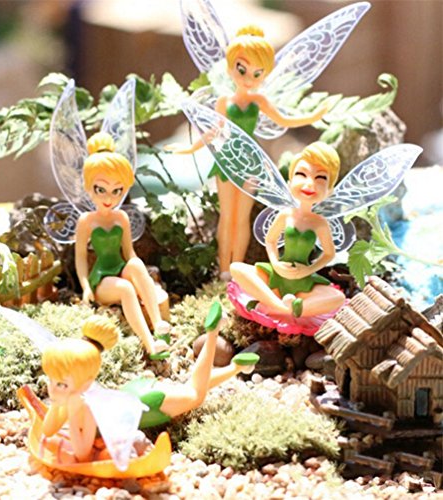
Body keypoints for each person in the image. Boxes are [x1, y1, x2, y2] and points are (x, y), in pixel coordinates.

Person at [166, 26, 327, 278]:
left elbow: (284, 121)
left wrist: (312, 117)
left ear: (265, 74)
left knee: (241, 219)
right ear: (231, 68)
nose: (249, 78)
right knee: (226, 217)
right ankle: (223, 270)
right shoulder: (224, 102)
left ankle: (236, 269)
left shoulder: (259, 102)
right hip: (227, 159)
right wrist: (190, 148)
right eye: (242, 69)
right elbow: (213, 131)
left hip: (250, 162)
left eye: (257, 73)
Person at [39, 304, 259, 462]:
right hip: (132, 393)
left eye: (61, 384)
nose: (52, 388)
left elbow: (82, 454)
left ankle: (213, 332)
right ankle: (236, 367)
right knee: (190, 388)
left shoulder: (85, 407)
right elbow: (47, 430)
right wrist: (59, 404)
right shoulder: (76, 398)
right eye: (52, 380)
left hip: (149, 404)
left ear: (85, 382)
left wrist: (71, 413)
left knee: (195, 395)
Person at [75, 131, 170, 359]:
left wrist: (140, 274)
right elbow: (80, 257)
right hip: (102, 280)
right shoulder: (86, 221)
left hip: (120, 268)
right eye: (101, 189)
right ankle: (150, 344)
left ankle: (159, 325)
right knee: (126, 289)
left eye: (117, 191)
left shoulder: (121, 218)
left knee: (136, 265)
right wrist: (86, 287)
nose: (109, 198)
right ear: (89, 187)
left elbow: (129, 253)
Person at [230, 142, 346, 318]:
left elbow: (329, 254)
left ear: (329, 190)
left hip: (302, 280)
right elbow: (270, 240)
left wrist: (307, 270)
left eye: (321, 178)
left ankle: (286, 307)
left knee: (338, 298)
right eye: (301, 174)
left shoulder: (320, 223)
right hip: (278, 274)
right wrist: (276, 264)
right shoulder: (286, 215)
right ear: (290, 182)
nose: (310, 184)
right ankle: (279, 306)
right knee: (237, 268)